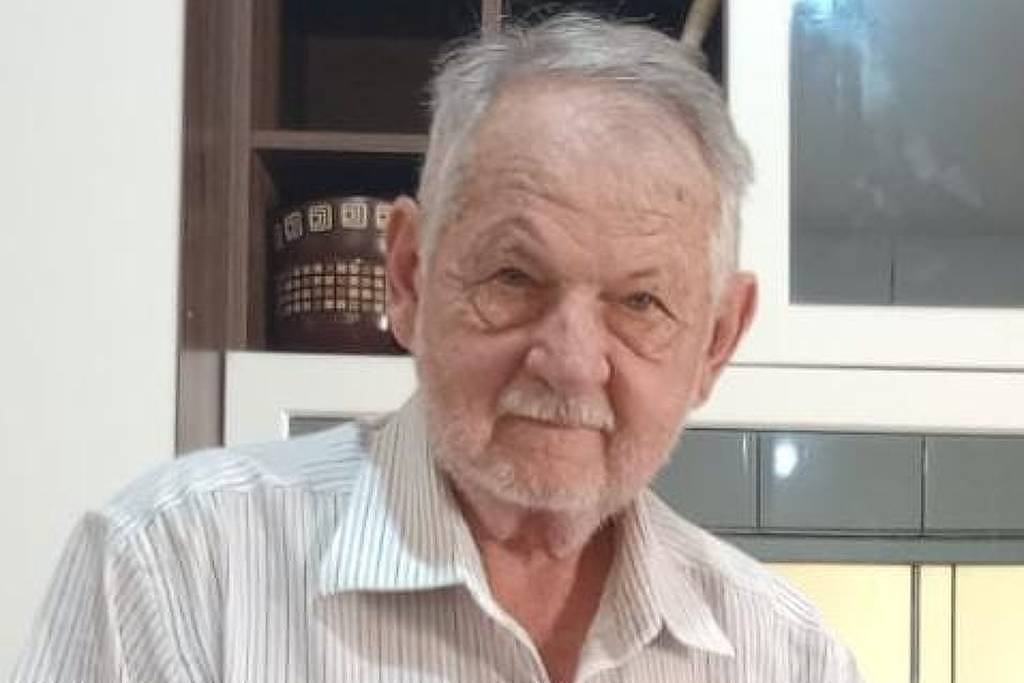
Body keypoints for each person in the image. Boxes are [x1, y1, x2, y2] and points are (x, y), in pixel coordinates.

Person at [14, 13, 862, 683]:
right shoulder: (176, 571)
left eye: (640, 302)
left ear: (716, 339)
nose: (571, 362)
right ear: (409, 275)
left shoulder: (786, 657)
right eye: (513, 277)